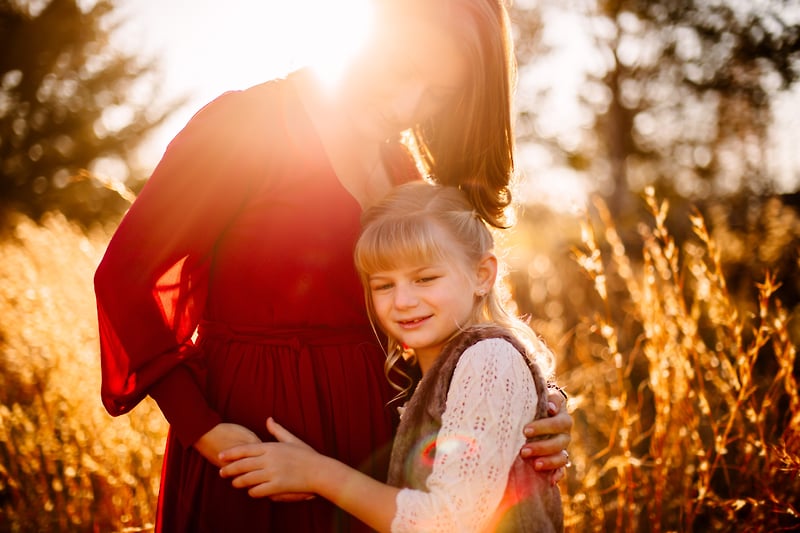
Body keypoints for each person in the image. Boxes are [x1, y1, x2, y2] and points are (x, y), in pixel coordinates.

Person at [94, 0, 572, 531]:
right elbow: (125, 275)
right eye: (403, 72)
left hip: (373, 455)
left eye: (439, 94)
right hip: (254, 441)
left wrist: (530, 406)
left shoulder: (403, 167)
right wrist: (202, 427)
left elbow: (449, 319)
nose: (410, 105)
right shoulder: (246, 125)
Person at [219, 182, 565, 532]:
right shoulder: (422, 368)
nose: (402, 301)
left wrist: (316, 473)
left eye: (425, 278)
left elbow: (449, 523)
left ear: (482, 275)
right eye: (383, 285)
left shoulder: (488, 360)